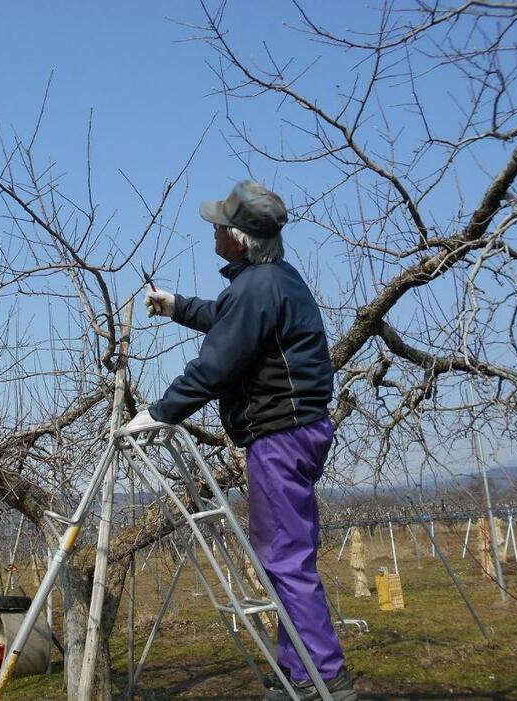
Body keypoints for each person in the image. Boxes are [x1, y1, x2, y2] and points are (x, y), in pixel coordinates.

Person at [123, 180, 356, 701]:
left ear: (238, 239)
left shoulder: (256, 290)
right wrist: (177, 305)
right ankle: (298, 669)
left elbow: (216, 366)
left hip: (279, 436)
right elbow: (230, 318)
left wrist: (158, 413)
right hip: (298, 431)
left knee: (286, 560)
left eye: (218, 227)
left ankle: (325, 678)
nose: (213, 231)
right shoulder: (273, 282)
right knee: (286, 557)